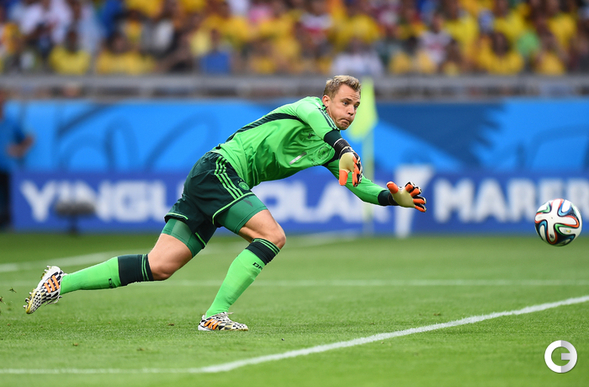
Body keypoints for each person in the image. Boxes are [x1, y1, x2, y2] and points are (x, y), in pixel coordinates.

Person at [24, 75, 427, 331]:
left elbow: (360, 186)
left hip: (213, 180)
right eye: (345, 103)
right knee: (272, 236)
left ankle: (60, 282)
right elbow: (328, 134)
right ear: (326, 100)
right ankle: (214, 316)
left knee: (159, 266)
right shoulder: (307, 109)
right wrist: (344, 148)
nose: (351, 111)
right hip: (220, 169)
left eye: (356, 106)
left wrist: (393, 199)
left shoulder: (328, 148)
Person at [0, 90, 34, 228]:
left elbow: (30, 138)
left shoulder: (11, 122)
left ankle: (7, 223)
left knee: (8, 197)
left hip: (6, 166)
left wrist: (19, 149)